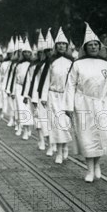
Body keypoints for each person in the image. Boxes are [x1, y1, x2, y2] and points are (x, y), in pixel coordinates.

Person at [64, 23, 107, 182]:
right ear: (85, 48)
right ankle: (89, 169)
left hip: (101, 104)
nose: (93, 47)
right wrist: (68, 106)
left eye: (96, 44)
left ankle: (97, 164)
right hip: (82, 104)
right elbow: (70, 86)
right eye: (90, 45)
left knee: (102, 135)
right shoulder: (77, 64)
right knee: (86, 137)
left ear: (100, 46)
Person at [39, 28, 74, 162]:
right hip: (53, 96)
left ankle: (64, 147)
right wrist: (43, 97)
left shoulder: (72, 61)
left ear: (67, 46)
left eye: (64, 44)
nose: (61, 46)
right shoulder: (51, 61)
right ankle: (59, 152)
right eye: (59, 44)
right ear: (55, 46)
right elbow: (46, 80)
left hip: (66, 97)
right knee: (56, 125)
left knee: (64, 124)